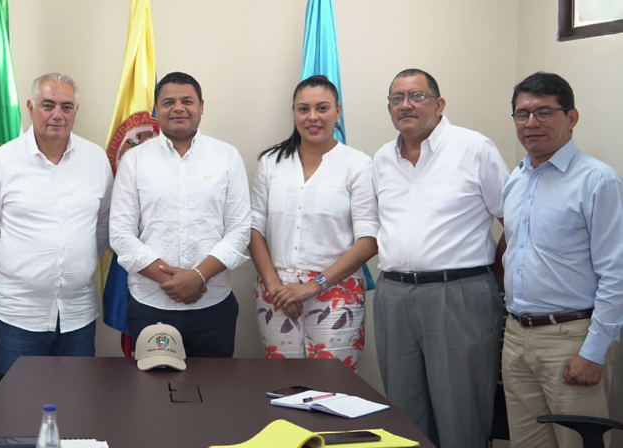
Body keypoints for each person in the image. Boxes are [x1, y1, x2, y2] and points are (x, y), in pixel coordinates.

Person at [371, 68, 509, 448]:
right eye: (396, 98)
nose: (405, 105)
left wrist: (493, 278)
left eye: (416, 96)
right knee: (404, 416)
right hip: (393, 296)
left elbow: (515, 221)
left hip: (458, 294)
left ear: (439, 104)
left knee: (460, 415)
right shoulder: (382, 159)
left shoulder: (474, 148)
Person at [502, 72, 623, 448]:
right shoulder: (517, 178)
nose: (531, 123)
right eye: (522, 114)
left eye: (544, 112)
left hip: (570, 338)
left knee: (577, 442)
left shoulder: (598, 181)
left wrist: (594, 352)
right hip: (517, 336)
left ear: (571, 117)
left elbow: (616, 273)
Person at [0, 73, 112, 374]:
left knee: (77, 398)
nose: (58, 114)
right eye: (48, 105)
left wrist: (77, 261)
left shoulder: (96, 159)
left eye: (66, 107)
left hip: (78, 315)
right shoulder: (3, 161)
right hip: (19, 314)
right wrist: (21, 267)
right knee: (19, 400)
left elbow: (102, 226)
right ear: (30, 108)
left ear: (76, 111)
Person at [110, 71, 251, 358]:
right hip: (151, 304)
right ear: (156, 109)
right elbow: (121, 234)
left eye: (187, 101)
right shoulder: (134, 160)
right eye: (168, 102)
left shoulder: (227, 157)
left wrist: (198, 276)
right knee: (152, 386)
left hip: (213, 305)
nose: (178, 108)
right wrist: (171, 281)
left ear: (201, 106)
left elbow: (240, 230)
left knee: (214, 385)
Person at [249, 75, 377, 369]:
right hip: (277, 294)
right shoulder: (271, 163)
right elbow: (254, 228)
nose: (312, 117)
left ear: (337, 111)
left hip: (336, 294)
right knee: (284, 385)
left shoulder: (358, 165)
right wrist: (276, 288)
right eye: (303, 109)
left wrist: (313, 286)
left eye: (322, 108)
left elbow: (369, 240)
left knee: (333, 386)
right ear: (294, 113)